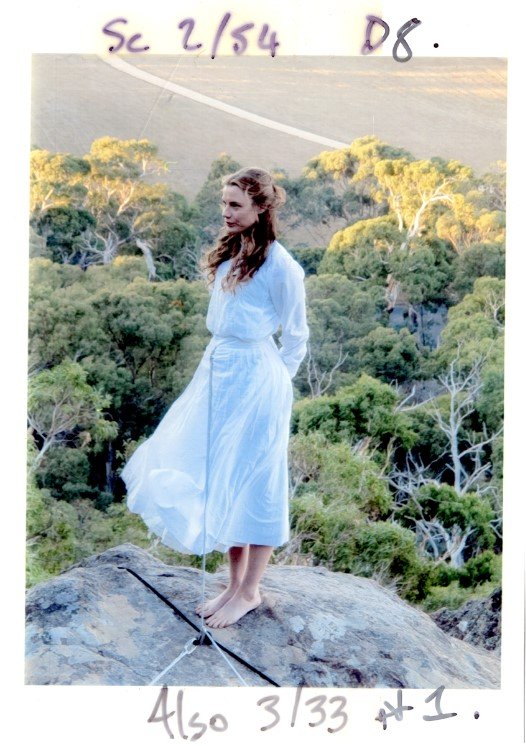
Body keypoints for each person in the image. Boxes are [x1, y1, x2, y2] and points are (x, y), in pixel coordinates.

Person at [121, 167, 309, 629]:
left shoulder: (282, 266)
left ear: (261, 208)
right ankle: (232, 583)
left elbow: (297, 336)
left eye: (236, 205)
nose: (226, 212)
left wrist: (273, 385)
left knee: (258, 480)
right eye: (224, 203)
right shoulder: (233, 250)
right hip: (220, 371)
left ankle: (250, 591)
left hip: (257, 378)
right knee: (221, 473)